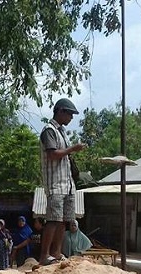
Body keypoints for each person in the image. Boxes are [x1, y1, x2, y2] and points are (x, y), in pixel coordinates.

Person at [38, 98, 87, 265]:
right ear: (60, 111)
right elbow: (52, 154)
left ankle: (56, 253)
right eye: (70, 114)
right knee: (53, 219)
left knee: (65, 219)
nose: (71, 118)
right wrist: (72, 149)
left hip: (68, 184)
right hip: (56, 183)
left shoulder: (62, 132)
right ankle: (44, 256)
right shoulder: (49, 130)